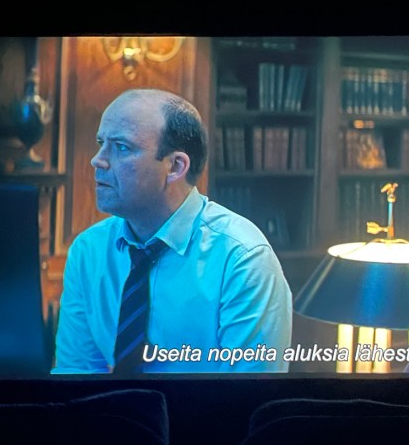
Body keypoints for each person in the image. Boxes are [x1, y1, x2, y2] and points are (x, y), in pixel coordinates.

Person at [52, 88, 293, 374]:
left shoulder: (242, 258)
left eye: (122, 148)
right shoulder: (88, 250)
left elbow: (250, 393)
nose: (97, 160)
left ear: (176, 166)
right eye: (101, 143)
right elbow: (77, 376)